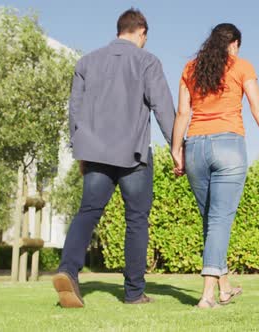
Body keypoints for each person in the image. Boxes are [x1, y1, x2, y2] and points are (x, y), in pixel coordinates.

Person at [52, 8, 175, 307]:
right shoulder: (148, 61)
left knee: (88, 212)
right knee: (136, 220)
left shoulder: (87, 62)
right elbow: (163, 109)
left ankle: (68, 269)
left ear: (120, 29)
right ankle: (133, 293)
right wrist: (177, 148)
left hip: (94, 152)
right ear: (141, 32)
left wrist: (80, 151)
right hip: (133, 155)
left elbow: (75, 113)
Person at [171, 23, 259, 308]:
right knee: (220, 221)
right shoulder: (242, 66)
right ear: (233, 43)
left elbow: (183, 112)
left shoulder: (190, 68)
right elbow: (258, 107)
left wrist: (176, 150)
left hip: (195, 146)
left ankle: (224, 288)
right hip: (229, 146)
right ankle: (207, 296)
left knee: (211, 221)